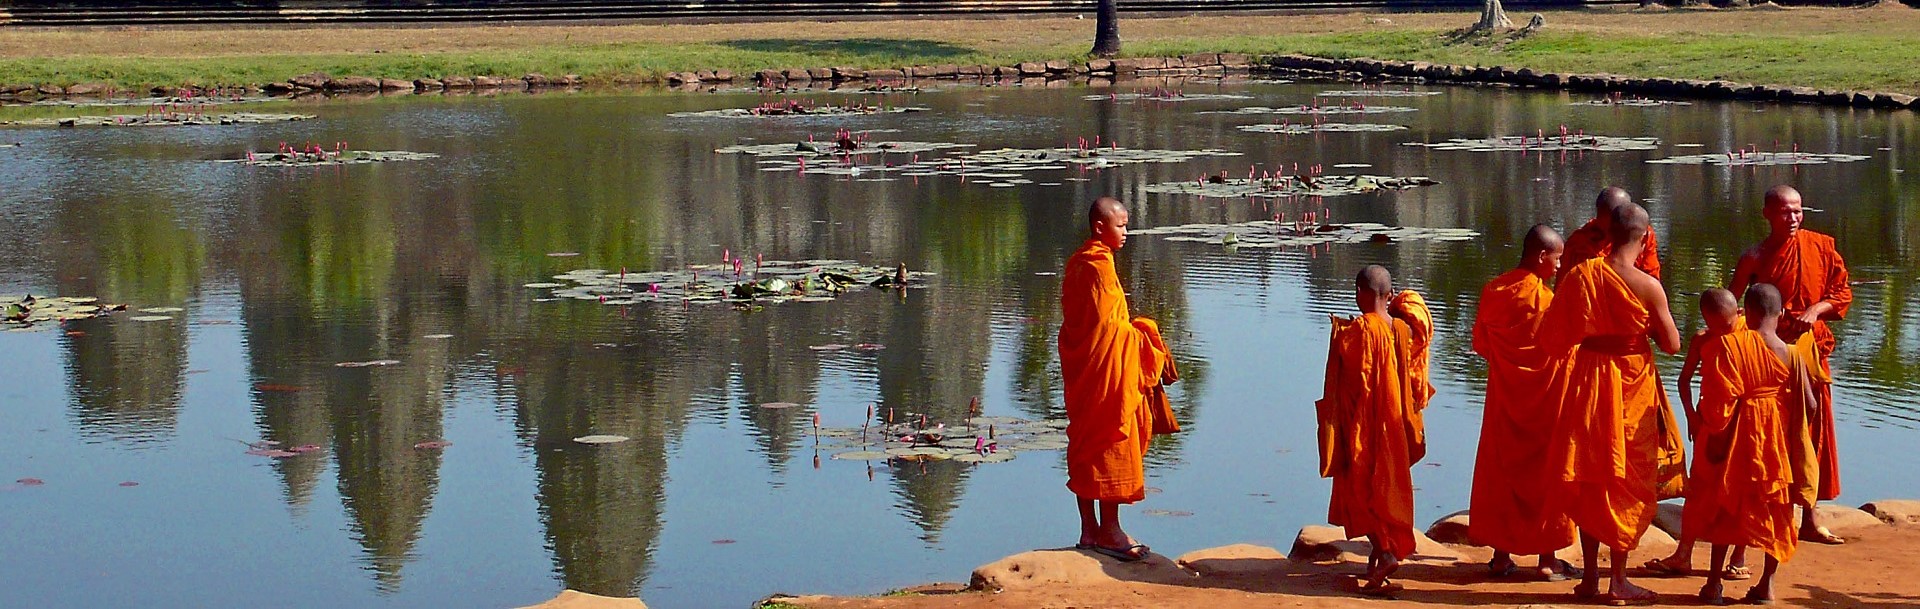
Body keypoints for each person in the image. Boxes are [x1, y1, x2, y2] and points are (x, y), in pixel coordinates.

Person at [1539, 202, 1681, 605]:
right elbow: (1672, 345)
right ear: (1645, 237)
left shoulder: (1582, 275)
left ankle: (1591, 578)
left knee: (1590, 473)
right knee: (1626, 478)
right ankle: (1619, 581)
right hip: (1632, 379)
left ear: (1609, 233)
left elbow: (1552, 341)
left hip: (1588, 378)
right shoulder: (1648, 285)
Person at [1729, 184, 1852, 546]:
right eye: (1786, 212)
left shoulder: (1821, 246)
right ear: (1767, 214)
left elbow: (1842, 293)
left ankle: (1810, 518)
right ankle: (1762, 519)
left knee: (1812, 432)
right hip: (1769, 356)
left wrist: (1815, 311)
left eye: (1798, 211)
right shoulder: (1755, 256)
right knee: (1771, 434)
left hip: (1810, 352)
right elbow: (1732, 302)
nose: (1794, 218)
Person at [1059, 196, 1176, 563]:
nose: (1126, 232)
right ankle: (1109, 531)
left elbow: (1080, 327)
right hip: (1105, 373)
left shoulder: (1079, 262)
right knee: (1112, 435)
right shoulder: (1098, 267)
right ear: (1100, 228)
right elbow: (1110, 330)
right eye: (1121, 225)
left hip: (1085, 371)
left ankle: (1088, 529)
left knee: (1085, 440)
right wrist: (1145, 334)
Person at [1468, 225, 1581, 581]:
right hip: (1545, 404)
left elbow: (1481, 345)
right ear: (1541, 256)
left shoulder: (1494, 290)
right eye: (1558, 258)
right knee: (1546, 474)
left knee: (1503, 474)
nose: (1561, 266)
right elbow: (1566, 351)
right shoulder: (1546, 302)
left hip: (1505, 400)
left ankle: (1501, 558)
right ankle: (1547, 560)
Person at [1315, 265, 1432, 596]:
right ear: (1390, 295)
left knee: (1362, 487)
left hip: (1364, 426)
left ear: (1358, 294)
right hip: (1394, 424)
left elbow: (1346, 383)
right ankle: (1382, 552)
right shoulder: (1400, 329)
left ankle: (1384, 552)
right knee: (1387, 483)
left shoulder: (1356, 332)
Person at [1689, 284, 1801, 605]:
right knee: (1777, 510)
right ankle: (1766, 585)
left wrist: (1713, 434)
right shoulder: (1793, 353)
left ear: (1746, 313)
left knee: (1727, 505)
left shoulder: (1731, 345)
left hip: (1739, 437)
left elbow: (1719, 403)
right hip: (1776, 442)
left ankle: (1714, 585)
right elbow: (1809, 405)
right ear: (1781, 314)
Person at [1645, 289, 1754, 581]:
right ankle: (1683, 555)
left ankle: (1738, 557)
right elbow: (1683, 381)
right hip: (1710, 423)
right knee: (1699, 491)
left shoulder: (1751, 334)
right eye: (1718, 326)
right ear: (1707, 320)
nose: (1725, 332)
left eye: (1729, 324)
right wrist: (1692, 416)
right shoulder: (1703, 340)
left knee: (1742, 490)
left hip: (1745, 426)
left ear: (1738, 313)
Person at [1558, 187, 1663, 284]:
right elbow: (1563, 285)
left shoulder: (1642, 234)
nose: (1611, 232)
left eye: (1615, 227)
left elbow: (1651, 277)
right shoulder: (1579, 242)